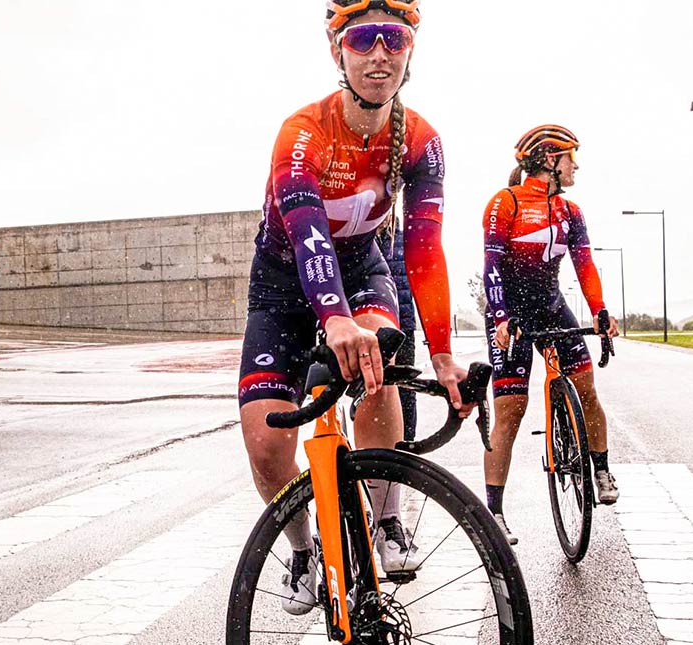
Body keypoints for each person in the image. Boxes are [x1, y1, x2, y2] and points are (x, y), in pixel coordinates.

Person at [237, 0, 471, 615]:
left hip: (363, 271)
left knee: (378, 358)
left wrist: (444, 355)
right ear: (337, 50)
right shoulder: (304, 131)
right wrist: (332, 316)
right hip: (284, 286)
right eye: (363, 38)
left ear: (410, 52)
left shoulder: (421, 140)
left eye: (393, 40)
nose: (379, 53)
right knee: (265, 445)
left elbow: (423, 251)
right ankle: (301, 550)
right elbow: (308, 229)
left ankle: (388, 519)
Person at [482, 124, 621, 545]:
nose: (575, 165)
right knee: (510, 410)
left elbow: (585, 266)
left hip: (551, 306)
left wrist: (599, 311)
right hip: (512, 313)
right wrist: (503, 316)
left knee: (587, 389)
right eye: (569, 157)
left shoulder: (570, 211)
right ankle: (495, 511)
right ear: (548, 160)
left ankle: (600, 468)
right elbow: (490, 266)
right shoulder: (504, 203)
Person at [377, 221, 418, 441]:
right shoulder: (361, 239)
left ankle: (406, 443)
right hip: (372, 326)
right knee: (375, 390)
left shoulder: (403, 240)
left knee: (404, 389)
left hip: (403, 326)